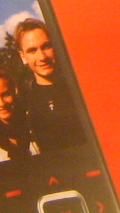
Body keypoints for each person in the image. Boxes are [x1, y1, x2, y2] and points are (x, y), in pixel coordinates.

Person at [13, 18, 83, 152]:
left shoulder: (79, 87)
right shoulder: (24, 102)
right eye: (32, 50)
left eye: (46, 46)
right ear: (23, 56)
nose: (42, 57)